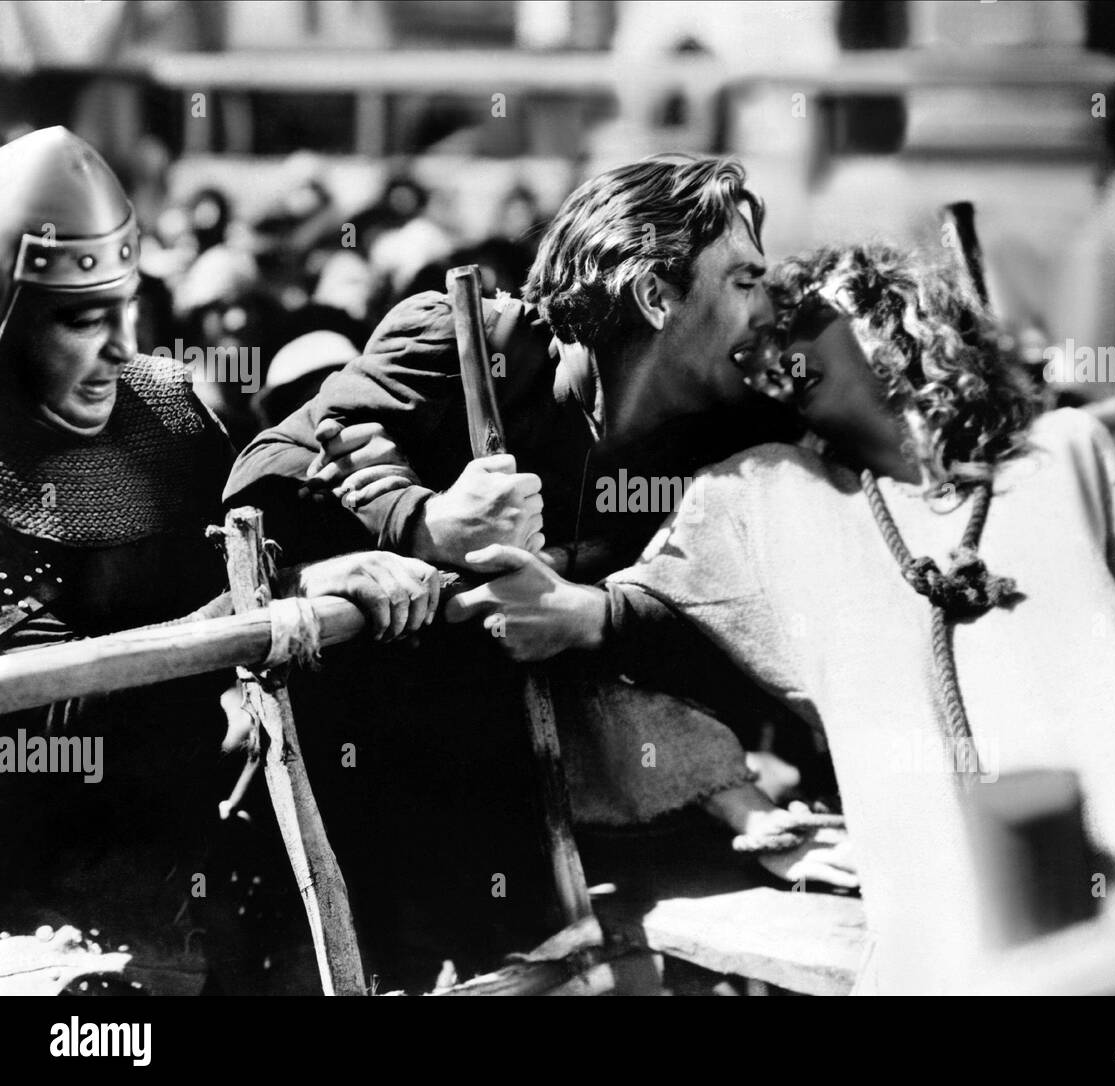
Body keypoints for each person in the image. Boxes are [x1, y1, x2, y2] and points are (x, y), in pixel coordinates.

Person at [592, 242, 1115, 991]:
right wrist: (742, 805)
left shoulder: (1069, 449)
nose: (772, 347)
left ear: (885, 315)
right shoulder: (767, 493)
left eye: (798, 318)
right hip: (951, 840)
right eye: (759, 342)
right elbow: (616, 619)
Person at [222, 156, 851, 984]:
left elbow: (747, 628)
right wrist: (424, 521)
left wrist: (586, 609)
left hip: (547, 815)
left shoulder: (728, 427)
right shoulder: (473, 344)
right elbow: (260, 477)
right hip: (356, 796)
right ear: (656, 296)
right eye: (741, 280)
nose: (762, 306)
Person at [0, 127, 441, 994]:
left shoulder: (163, 410)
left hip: (202, 834)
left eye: (121, 304)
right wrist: (271, 610)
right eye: (80, 317)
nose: (119, 345)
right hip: (33, 873)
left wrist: (391, 509)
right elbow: (45, 719)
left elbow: (255, 555)